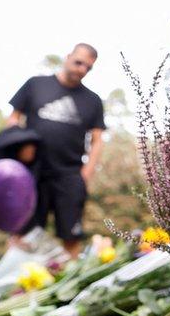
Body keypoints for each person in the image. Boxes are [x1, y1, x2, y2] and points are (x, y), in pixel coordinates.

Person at [7, 43, 105, 259]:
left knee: (71, 235)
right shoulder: (36, 85)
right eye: (78, 62)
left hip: (70, 175)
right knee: (23, 231)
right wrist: (18, 146)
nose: (81, 69)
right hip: (32, 172)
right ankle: (15, 286)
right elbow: (13, 118)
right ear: (68, 57)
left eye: (88, 68)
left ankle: (68, 287)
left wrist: (86, 174)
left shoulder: (93, 100)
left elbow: (98, 140)